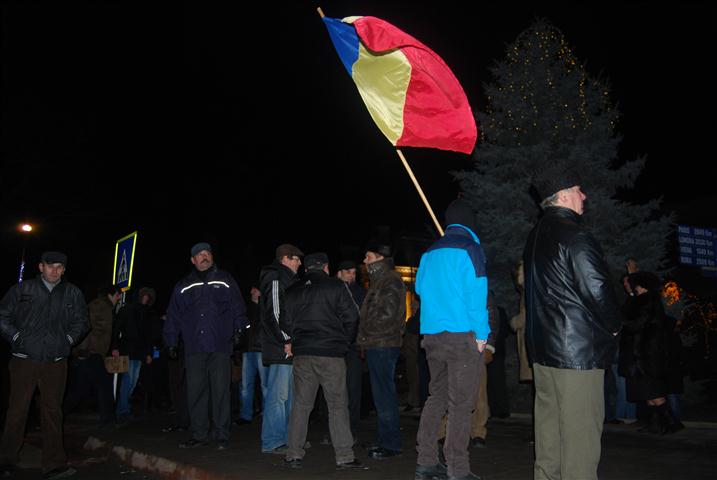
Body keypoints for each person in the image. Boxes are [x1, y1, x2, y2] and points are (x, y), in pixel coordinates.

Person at [524, 176, 622, 480]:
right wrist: (615, 326)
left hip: (543, 350)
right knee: (580, 440)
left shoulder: (535, 235)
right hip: (577, 353)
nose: (585, 195)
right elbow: (597, 288)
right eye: (579, 190)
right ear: (563, 196)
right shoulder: (574, 234)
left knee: (549, 436)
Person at [415, 198, 489, 480]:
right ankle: (458, 469)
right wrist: (482, 334)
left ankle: (426, 462)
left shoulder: (429, 252)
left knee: (437, 398)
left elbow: (420, 288)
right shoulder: (471, 248)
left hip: (432, 336)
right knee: (461, 404)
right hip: (462, 337)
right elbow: (477, 295)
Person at [0, 251, 89, 479]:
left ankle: (54, 464)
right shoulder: (22, 289)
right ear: (41, 267)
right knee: (17, 410)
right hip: (24, 360)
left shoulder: (72, 292)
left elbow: (82, 322)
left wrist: (67, 341)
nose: (54, 270)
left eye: (59, 266)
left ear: (64, 269)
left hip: (56, 362)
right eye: (50, 266)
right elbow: (3, 315)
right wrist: (17, 338)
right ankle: (6, 459)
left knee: (52, 412)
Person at [282, 253, 365, 470]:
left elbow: (284, 321)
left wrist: (296, 338)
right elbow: (353, 316)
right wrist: (343, 342)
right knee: (337, 405)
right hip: (331, 354)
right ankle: (344, 456)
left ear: (306, 269)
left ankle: (293, 454)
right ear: (326, 268)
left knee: (301, 405)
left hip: (303, 354)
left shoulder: (292, 290)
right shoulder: (337, 287)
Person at [164, 242, 248, 450]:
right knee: (196, 392)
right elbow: (173, 316)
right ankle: (199, 435)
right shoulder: (183, 285)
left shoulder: (225, 279)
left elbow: (239, 307)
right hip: (194, 347)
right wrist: (171, 342)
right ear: (193, 260)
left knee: (221, 392)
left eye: (207, 253)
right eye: (199, 255)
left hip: (220, 345)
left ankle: (222, 435)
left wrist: (240, 332)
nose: (204, 257)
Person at [356, 243, 406, 460]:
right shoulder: (381, 280)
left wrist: (365, 332)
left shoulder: (390, 280)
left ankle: (391, 444)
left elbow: (387, 316)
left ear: (379, 258)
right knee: (381, 395)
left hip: (383, 345)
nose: (364, 262)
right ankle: (384, 438)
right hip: (379, 344)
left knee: (384, 395)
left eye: (368, 257)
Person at [621, 271, 684, 434]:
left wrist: (621, 324)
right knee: (647, 392)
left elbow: (638, 323)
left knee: (654, 391)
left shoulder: (647, 300)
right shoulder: (645, 300)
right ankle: (655, 423)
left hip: (646, 353)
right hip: (642, 353)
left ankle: (671, 422)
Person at [259, 243, 303, 454]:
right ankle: (273, 441)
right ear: (285, 258)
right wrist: (286, 339)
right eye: (296, 258)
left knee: (289, 395)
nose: (299, 263)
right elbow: (274, 312)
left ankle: (286, 438)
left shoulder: (289, 279)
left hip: (288, 346)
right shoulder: (275, 276)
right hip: (281, 347)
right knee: (279, 395)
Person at [64, 284, 121, 428]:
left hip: (89, 352)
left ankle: (53, 416)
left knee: (79, 390)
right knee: (105, 384)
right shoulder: (100, 306)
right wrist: (85, 349)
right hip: (90, 352)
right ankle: (108, 420)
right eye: (117, 295)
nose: (119, 298)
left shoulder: (105, 307)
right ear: (110, 294)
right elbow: (84, 326)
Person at [112, 287, 157, 422]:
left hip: (140, 352)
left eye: (148, 296)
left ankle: (123, 408)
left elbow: (149, 336)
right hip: (127, 349)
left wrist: (149, 353)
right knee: (127, 381)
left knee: (133, 381)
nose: (146, 297)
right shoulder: (127, 309)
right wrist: (115, 347)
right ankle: (122, 410)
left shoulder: (149, 313)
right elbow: (117, 329)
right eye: (144, 295)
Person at [336, 259, 366, 438]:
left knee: (353, 389)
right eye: (348, 272)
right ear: (339, 273)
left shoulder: (360, 293)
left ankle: (352, 429)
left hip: (353, 347)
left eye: (354, 273)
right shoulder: (331, 290)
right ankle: (336, 430)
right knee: (336, 390)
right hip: (335, 347)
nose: (351, 276)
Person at [235, 286, 268, 425]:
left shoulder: (267, 307)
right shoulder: (246, 309)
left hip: (262, 350)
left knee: (265, 384)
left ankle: (267, 414)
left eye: (255, 289)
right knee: (245, 385)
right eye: (252, 289)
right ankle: (245, 415)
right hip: (247, 350)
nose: (252, 292)